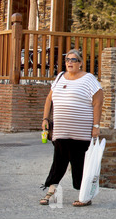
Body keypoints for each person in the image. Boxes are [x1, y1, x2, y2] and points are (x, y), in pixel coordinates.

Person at [39, 49, 103, 207]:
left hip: (80, 131)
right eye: (67, 59)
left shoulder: (89, 79)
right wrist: (45, 118)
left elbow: (98, 102)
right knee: (58, 161)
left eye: (74, 60)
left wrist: (96, 126)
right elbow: (49, 99)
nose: (70, 62)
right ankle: (50, 191)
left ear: (80, 63)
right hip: (61, 129)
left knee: (79, 163)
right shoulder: (60, 77)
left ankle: (84, 196)